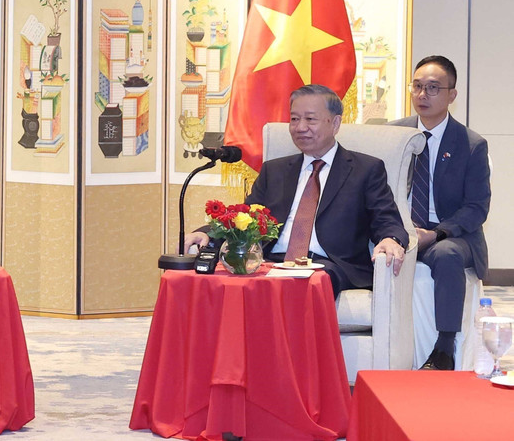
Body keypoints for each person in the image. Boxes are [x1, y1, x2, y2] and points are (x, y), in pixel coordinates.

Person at [185, 84, 408, 298]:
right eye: (294, 119)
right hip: (271, 261)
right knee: (221, 282)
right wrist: (207, 233)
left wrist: (391, 239)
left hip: (329, 265)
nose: (300, 127)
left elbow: (386, 219)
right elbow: (245, 219)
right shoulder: (275, 170)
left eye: (310, 119)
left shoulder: (365, 169)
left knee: (302, 286)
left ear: (335, 123)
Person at [390, 55, 491, 370]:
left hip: (449, 232)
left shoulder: (471, 144)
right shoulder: (393, 135)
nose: (422, 95)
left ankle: (444, 349)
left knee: (446, 255)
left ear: (452, 95)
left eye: (433, 88)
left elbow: (476, 207)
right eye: (417, 86)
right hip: (400, 228)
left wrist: (436, 233)